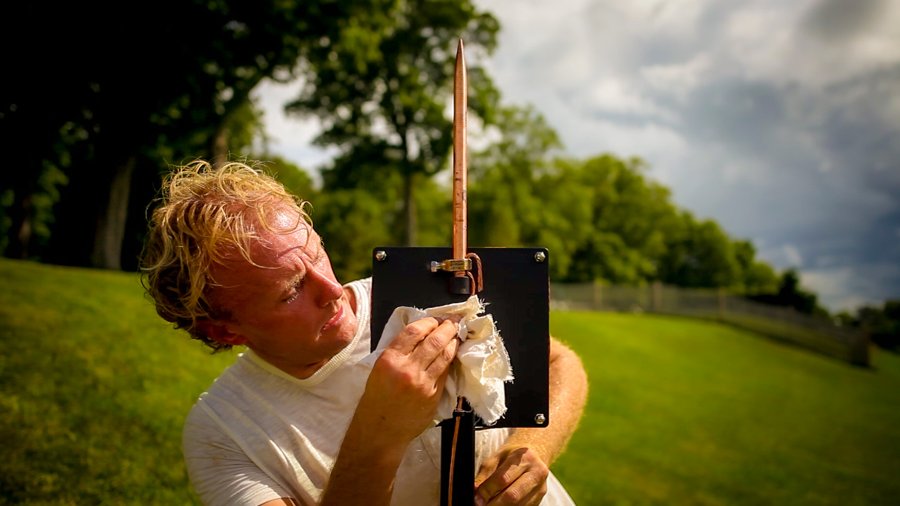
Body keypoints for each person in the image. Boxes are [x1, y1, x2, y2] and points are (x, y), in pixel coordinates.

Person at [140, 159, 589, 505]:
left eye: (317, 253)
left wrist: (534, 447)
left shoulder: (414, 295)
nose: (332, 290)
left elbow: (559, 362)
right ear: (225, 329)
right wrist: (381, 431)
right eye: (291, 290)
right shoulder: (225, 431)